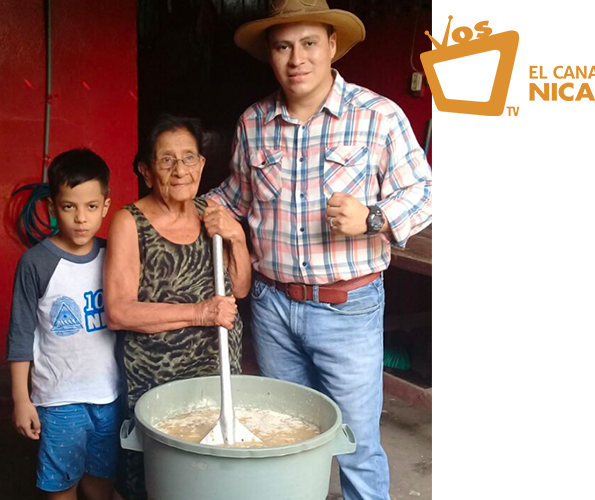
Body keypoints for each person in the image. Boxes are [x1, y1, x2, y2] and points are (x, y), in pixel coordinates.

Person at [205, 2, 433, 500]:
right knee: (283, 432)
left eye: (309, 43)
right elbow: (236, 196)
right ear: (270, 54)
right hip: (271, 306)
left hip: (347, 307)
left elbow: (423, 194)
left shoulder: (378, 117)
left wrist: (371, 218)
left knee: (355, 442)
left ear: (332, 46)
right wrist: (173, 209)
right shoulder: (254, 123)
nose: (296, 58)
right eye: (283, 46)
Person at [105, 115, 251, 500]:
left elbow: (239, 287)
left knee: (216, 472)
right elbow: (118, 312)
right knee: (161, 476)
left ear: (202, 165)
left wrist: (236, 237)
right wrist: (201, 313)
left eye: (189, 158)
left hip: (217, 369)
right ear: (146, 170)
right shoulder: (129, 222)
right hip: (157, 378)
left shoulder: (212, 214)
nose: (180, 169)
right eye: (166, 160)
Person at [7, 148, 117, 500]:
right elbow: (20, 334)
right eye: (69, 207)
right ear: (53, 208)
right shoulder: (35, 263)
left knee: (101, 481)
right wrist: (21, 399)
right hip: (58, 399)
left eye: (91, 206)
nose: (81, 219)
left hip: (109, 395)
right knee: (62, 486)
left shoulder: (113, 255)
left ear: (106, 205)